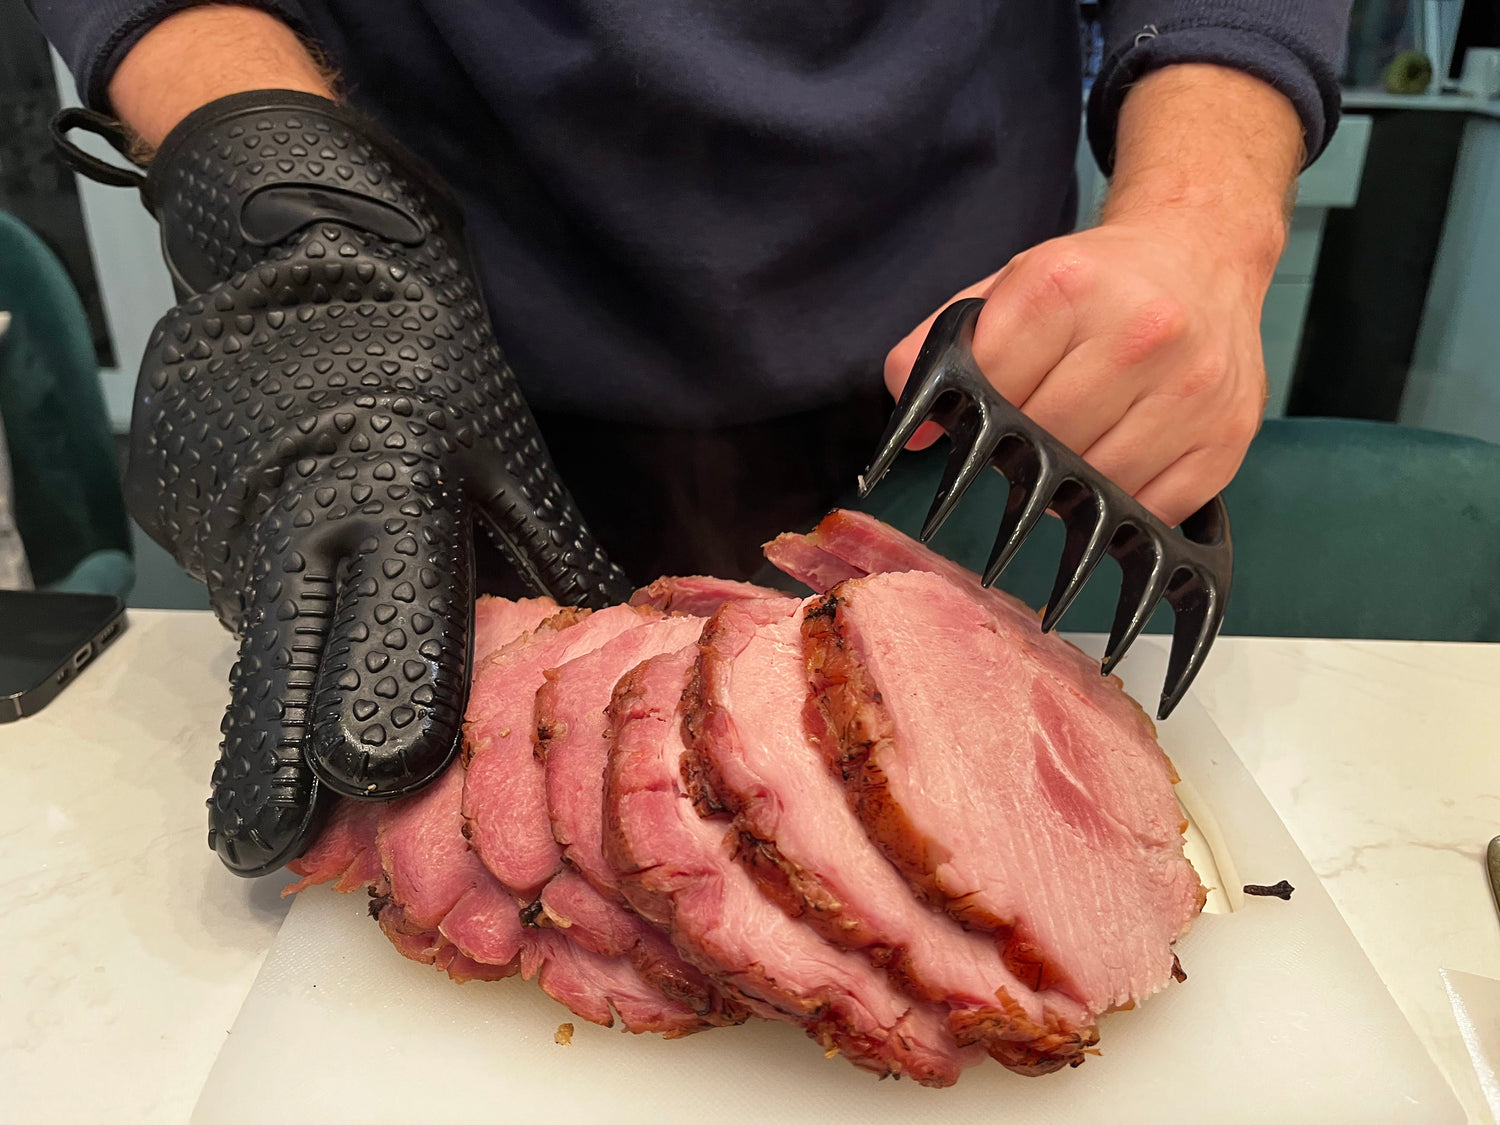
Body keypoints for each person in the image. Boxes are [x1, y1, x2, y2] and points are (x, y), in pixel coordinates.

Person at [32, 1, 1348, 875]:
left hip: (974, 435)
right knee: (505, 835)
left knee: (972, 840)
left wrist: (1201, 212)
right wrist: (301, 208)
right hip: (457, 392)